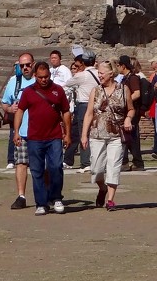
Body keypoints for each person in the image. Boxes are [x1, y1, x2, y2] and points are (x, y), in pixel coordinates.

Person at [13, 60, 72, 215]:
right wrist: (17, 131)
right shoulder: (28, 92)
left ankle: (56, 197)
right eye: (40, 77)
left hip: (54, 136)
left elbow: (66, 112)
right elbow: (19, 111)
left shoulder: (58, 90)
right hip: (34, 138)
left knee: (56, 167)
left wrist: (68, 133)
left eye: (45, 77)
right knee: (37, 170)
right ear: (35, 76)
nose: (43, 80)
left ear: (49, 75)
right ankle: (41, 203)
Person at [80, 60, 134, 211]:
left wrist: (129, 118)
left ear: (111, 74)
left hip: (116, 135)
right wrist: (84, 135)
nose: (99, 75)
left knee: (113, 167)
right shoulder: (95, 91)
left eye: (102, 73)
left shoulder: (123, 89)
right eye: (98, 73)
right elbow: (89, 114)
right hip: (97, 134)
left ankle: (110, 200)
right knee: (96, 170)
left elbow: (130, 109)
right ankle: (102, 188)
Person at [2, 52, 35, 205]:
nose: (25, 68)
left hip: (41, 131)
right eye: (22, 66)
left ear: (33, 64)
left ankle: (46, 194)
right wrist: (9, 109)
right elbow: (5, 103)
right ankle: (21, 195)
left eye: (28, 65)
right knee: (21, 163)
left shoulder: (41, 80)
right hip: (21, 130)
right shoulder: (14, 82)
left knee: (44, 165)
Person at [62, 53, 99, 171]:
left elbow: (66, 85)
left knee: (84, 133)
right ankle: (81, 160)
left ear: (83, 63)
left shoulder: (82, 75)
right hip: (97, 106)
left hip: (84, 105)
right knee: (87, 133)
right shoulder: (100, 74)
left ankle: (85, 162)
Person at [117, 55, 144, 170]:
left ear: (123, 66)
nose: (117, 68)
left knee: (132, 138)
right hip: (126, 112)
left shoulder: (132, 78)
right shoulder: (124, 78)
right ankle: (124, 162)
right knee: (125, 137)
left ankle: (138, 162)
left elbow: (137, 93)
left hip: (132, 112)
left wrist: (125, 101)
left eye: (118, 65)